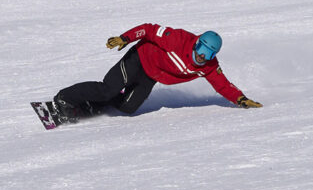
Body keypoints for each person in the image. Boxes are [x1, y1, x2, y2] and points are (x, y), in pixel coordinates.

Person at [53, 23, 262, 122]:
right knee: (109, 88)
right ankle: (64, 98)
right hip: (139, 59)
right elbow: (149, 29)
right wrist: (125, 38)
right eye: (200, 50)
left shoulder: (208, 66)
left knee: (127, 107)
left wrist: (240, 99)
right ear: (197, 42)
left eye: (207, 55)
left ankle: (93, 103)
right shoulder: (178, 39)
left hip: (151, 76)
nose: (201, 57)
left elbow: (223, 85)